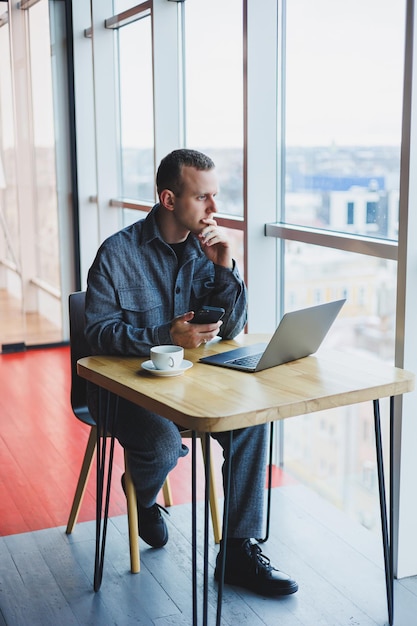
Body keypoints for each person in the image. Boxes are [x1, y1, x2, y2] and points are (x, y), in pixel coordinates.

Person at [84, 148, 298, 597]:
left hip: (191, 387)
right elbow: (99, 334)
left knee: (254, 421)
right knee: (162, 444)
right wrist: (165, 334)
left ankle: (238, 551)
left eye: (215, 196)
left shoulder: (208, 251)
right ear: (168, 198)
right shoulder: (116, 253)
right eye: (203, 198)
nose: (214, 209)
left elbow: (233, 327)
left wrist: (225, 267)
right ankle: (144, 499)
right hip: (127, 391)